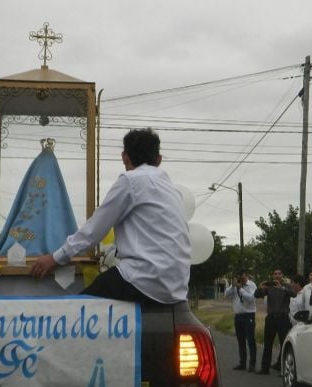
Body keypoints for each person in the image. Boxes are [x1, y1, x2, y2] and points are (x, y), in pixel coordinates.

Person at [30, 128, 191, 305]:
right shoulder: (173, 190)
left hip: (144, 279)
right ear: (159, 160)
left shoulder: (131, 181)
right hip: (177, 287)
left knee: (74, 313)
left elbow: (94, 230)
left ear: (124, 156)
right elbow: (148, 237)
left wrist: (55, 258)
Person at [254, 268, 295, 374]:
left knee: (284, 344)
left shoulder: (286, 286)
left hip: (283, 318)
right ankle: (264, 368)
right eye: (275, 274)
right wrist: (260, 287)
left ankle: (283, 369)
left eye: (279, 274)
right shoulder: (269, 287)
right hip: (271, 318)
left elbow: (294, 294)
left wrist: (282, 288)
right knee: (268, 344)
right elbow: (257, 295)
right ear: (273, 276)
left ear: (282, 275)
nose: (277, 276)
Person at [225, 269, 257, 372]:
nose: (241, 278)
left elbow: (251, 299)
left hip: (249, 315)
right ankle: (242, 362)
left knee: (250, 340)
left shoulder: (252, 285)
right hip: (238, 316)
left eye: (242, 276)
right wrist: (233, 286)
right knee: (241, 340)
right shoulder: (235, 285)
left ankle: (252, 363)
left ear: (246, 275)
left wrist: (241, 289)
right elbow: (226, 295)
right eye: (238, 276)